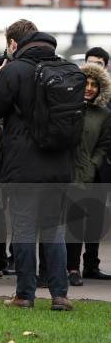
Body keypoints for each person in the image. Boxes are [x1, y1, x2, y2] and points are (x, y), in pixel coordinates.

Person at [0, 19, 74, 310]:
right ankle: (59, 295)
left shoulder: (15, 70)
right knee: (53, 230)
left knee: (23, 229)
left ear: (13, 44)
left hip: (23, 166)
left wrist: (0, 75)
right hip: (59, 164)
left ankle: (24, 295)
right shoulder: (67, 68)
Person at [66, 63, 111, 286]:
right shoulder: (67, 106)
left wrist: (93, 165)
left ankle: (83, 267)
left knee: (86, 224)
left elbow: (104, 145)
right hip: (66, 172)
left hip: (90, 175)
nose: (89, 88)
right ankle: (68, 267)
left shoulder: (103, 115)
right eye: (86, 83)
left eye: (95, 84)